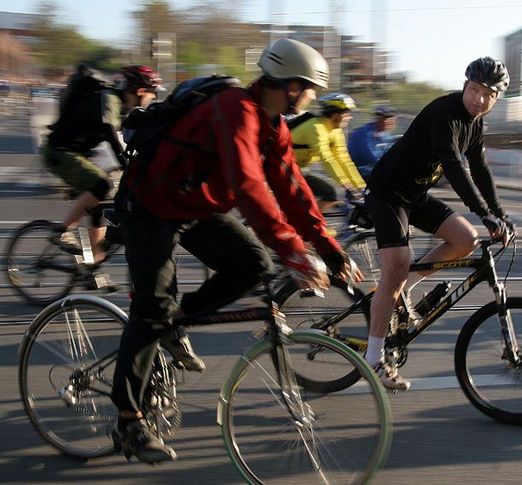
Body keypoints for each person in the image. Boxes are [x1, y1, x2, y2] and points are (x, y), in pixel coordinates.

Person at [110, 38, 357, 464]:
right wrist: (294, 251)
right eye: (311, 89)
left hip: (196, 206)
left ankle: (173, 323)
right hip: (149, 204)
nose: (313, 98)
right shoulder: (234, 109)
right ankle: (129, 420)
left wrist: (328, 248)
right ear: (292, 85)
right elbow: (249, 186)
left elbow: (293, 190)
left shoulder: (275, 125)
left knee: (252, 265)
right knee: (152, 308)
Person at [363, 57, 515, 390]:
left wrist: (499, 213)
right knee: (396, 266)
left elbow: (481, 170)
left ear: (496, 99)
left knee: (466, 238)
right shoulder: (444, 113)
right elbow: (454, 166)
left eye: (487, 94)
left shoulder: (475, 125)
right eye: (474, 90)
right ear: (465, 85)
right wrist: (482, 210)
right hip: (387, 191)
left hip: (414, 194)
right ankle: (372, 359)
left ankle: (406, 286)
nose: (478, 99)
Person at [42, 65, 163, 286]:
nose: (152, 99)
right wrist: (127, 165)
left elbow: (133, 139)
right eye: (152, 94)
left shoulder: (124, 108)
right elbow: (110, 134)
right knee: (101, 185)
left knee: (100, 208)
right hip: (60, 152)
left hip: (81, 154)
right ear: (140, 91)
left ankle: (90, 269)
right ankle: (62, 231)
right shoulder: (110, 99)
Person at [289, 92, 366, 212]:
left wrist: (361, 186)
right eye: (347, 114)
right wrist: (347, 185)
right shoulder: (316, 127)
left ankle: (300, 221)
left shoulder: (335, 130)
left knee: (329, 193)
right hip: (280, 166)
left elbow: (344, 159)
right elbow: (327, 158)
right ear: (335, 115)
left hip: (298, 168)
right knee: (330, 192)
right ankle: (303, 224)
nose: (350, 117)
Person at [348, 105, 398, 180]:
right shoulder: (365, 133)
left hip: (372, 170)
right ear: (378, 119)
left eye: (392, 118)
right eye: (385, 118)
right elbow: (371, 157)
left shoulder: (382, 132)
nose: (389, 121)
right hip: (362, 173)